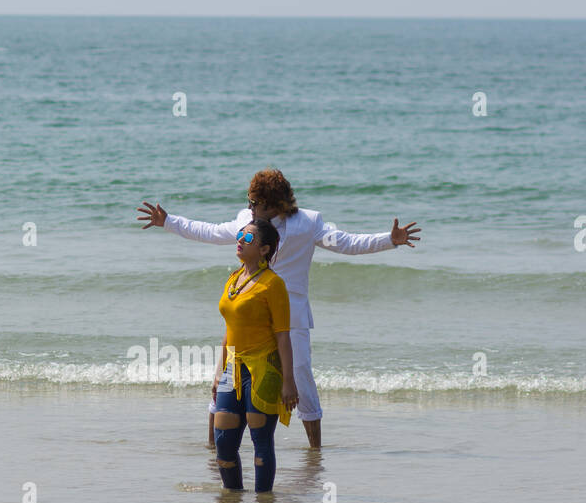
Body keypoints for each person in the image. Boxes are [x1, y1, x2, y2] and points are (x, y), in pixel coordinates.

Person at [139, 169, 419, 449]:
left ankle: (314, 450)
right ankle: (214, 447)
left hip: (291, 315)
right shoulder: (245, 222)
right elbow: (210, 232)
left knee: (301, 378)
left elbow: (347, 243)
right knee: (230, 373)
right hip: (248, 313)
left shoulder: (309, 222)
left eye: (255, 203)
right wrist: (169, 222)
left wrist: (389, 240)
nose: (250, 209)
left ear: (273, 204)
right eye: (249, 202)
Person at [211, 218, 297, 492]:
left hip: (264, 369)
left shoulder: (273, 284)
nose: (240, 241)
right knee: (223, 443)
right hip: (232, 369)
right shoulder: (234, 279)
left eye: (248, 238)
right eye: (240, 235)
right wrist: (218, 371)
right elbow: (229, 328)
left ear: (264, 249)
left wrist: (289, 381)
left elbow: (283, 335)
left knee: (261, 444)